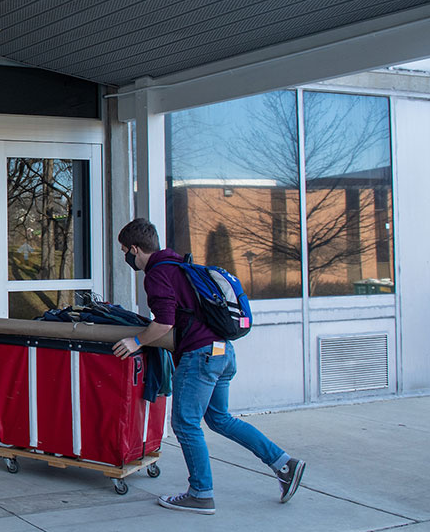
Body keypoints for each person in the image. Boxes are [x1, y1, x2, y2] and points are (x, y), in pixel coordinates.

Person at [112, 218, 304, 515]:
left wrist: (137, 341)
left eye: (126, 251)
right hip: (222, 352)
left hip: (199, 356)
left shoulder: (157, 274)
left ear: (136, 249)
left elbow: (164, 323)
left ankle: (201, 493)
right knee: (219, 419)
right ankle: (284, 464)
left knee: (185, 424)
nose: (126, 257)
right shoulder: (181, 266)